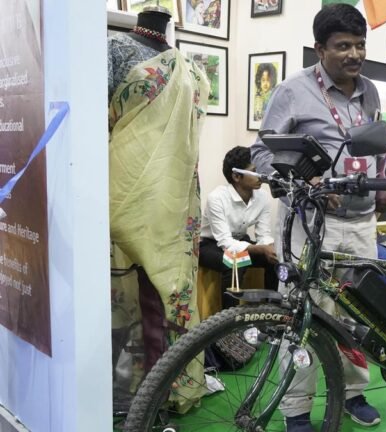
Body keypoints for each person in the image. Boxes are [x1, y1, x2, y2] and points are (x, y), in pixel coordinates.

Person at [251, 4, 383, 431]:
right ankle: (297, 409)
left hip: (361, 222)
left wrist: (383, 181)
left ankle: (353, 393)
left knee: (355, 313)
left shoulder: (371, 92)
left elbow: (373, 147)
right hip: (308, 224)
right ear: (319, 49)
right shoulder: (292, 91)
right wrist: (305, 184)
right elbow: (262, 153)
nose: (354, 54)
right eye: (343, 46)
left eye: (360, 45)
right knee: (303, 315)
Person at [108, 5, 210, 412]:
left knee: (169, 290)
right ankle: (125, 392)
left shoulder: (189, 66)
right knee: (125, 294)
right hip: (123, 191)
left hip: (175, 195)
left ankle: (164, 390)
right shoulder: (112, 50)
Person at [199, 146, 278, 307]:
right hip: (210, 245)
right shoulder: (217, 198)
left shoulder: (262, 197)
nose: (261, 175)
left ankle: (273, 313)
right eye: (255, 170)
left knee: (275, 261)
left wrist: (269, 248)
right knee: (236, 262)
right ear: (236, 176)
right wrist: (261, 249)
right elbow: (225, 243)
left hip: (240, 241)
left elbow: (264, 234)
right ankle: (230, 322)